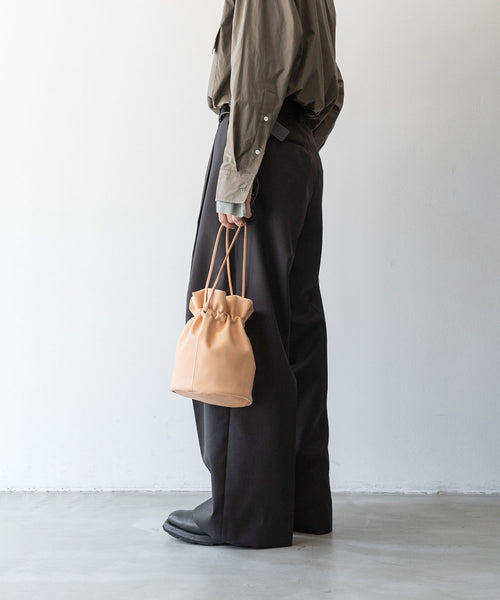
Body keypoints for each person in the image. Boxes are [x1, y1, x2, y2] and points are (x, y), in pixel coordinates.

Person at [163, 0, 344, 548]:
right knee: (294, 327)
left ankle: (242, 513)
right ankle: (299, 501)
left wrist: (240, 170)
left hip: (258, 151)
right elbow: (331, 84)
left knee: (236, 322)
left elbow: (259, 65)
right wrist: (299, 143)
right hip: (293, 150)